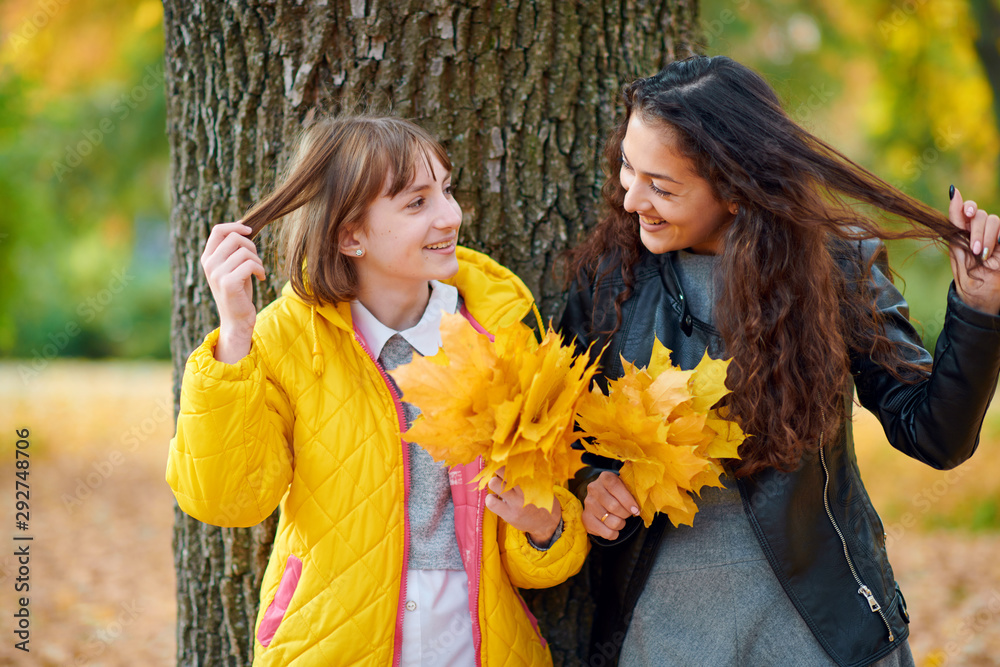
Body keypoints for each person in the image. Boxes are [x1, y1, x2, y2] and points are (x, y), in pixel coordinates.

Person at [559, 55, 1000, 667]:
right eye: (628, 169)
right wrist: (588, 483)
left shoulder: (835, 269)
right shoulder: (613, 278)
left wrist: (978, 310)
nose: (633, 200)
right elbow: (560, 433)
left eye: (661, 186)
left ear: (738, 190)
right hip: (660, 638)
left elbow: (934, 435)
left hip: (819, 633)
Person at [166, 114, 589, 666]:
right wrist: (236, 333)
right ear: (350, 235)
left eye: (447, 189)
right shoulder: (285, 337)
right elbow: (227, 501)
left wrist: (546, 527)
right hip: (329, 644)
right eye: (417, 203)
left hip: (475, 644)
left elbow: (545, 559)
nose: (451, 216)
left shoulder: (500, 329)